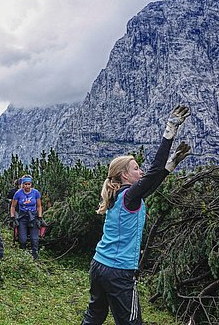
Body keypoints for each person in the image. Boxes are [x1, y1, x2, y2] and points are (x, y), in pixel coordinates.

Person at [81, 105, 192, 325]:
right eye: (135, 169)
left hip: (99, 266)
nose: (140, 172)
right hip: (119, 272)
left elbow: (151, 184)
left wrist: (171, 165)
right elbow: (151, 174)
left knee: (94, 316)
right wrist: (170, 130)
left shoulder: (120, 196)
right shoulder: (129, 196)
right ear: (124, 175)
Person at [10, 174, 43, 260]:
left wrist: (39, 217)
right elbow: (13, 206)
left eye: (29, 184)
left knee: (34, 239)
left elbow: (39, 206)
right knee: (22, 239)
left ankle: (35, 257)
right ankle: (23, 257)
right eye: (25, 184)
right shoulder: (18, 193)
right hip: (22, 217)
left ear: (31, 184)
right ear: (22, 184)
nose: (27, 186)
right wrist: (12, 217)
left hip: (33, 216)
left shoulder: (36, 193)